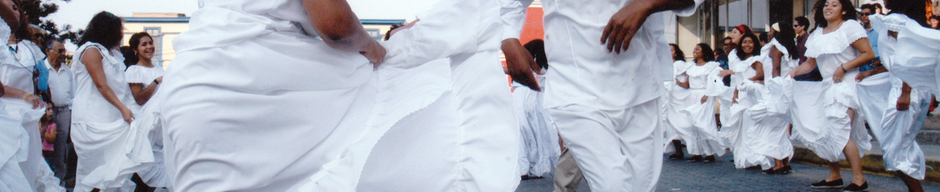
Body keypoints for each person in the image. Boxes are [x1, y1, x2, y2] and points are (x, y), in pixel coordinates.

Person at [501, 0, 703, 191]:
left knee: (640, 187)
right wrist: (508, 39)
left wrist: (647, 3)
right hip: (574, 89)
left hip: (641, 89)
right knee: (613, 184)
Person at [785, 0, 875, 190]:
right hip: (828, 84)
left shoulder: (850, 27)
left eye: (834, 4)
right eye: (826, 4)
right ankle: (835, 175)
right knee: (827, 130)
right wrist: (793, 72)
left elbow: (868, 53)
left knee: (839, 128)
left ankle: (859, 179)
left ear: (843, 10)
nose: (828, 8)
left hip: (846, 83)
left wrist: (844, 67)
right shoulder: (818, 33)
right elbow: (811, 63)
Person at [71, 11, 157, 192]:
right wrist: (123, 109)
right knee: (96, 173)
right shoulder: (91, 50)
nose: (121, 34)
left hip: (112, 118)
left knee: (116, 172)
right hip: (93, 119)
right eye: (119, 30)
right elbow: (101, 85)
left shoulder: (112, 54)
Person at [861, 1, 937, 190]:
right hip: (916, 90)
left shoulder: (896, 21)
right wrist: (873, 71)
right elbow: (900, 58)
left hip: (906, 90)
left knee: (892, 150)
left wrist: (905, 92)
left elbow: (907, 59)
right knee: (900, 147)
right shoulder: (913, 22)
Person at [751, 21, 799, 175]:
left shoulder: (774, 49)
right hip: (786, 90)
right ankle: (784, 161)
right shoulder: (788, 49)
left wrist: (773, 90)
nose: (769, 33)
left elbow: (775, 70)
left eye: (771, 30)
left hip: (776, 91)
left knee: (772, 126)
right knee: (779, 127)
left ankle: (779, 163)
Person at [668, 43, 725, 163]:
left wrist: (707, 94)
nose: (695, 51)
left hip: (705, 96)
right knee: (693, 125)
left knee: (704, 124)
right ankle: (697, 153)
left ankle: (710, 154)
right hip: (692, 95)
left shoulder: (710, 66)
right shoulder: (691, 67)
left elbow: (714, 81)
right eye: (694, 49)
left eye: (698, 49)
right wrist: (678, 83)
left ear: (704, 52)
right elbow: (687, 84)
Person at [512, 39, 559, 179]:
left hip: (520, 96)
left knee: (521, 134)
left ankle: (522, 169)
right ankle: (538, 167)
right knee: (539, 133)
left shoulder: (521, 64)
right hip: (539, 98)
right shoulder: (545, 66)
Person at [720, 32, 766, 169]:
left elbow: (761, 74)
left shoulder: (757, 59)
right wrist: (735, 93)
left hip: (751, 95)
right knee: (741, 129)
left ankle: (754, 158)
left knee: (750, 127)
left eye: (750, 42)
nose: (747, 45)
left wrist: (746, 82)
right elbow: (738, 80)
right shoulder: (739, 61)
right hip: (741, 96)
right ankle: (744, 157)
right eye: (745, 42)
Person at [43, 38, 74, 183]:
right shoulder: (42, 69)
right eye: (60, 51)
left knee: (61, 148)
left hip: (63, 112)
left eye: (64, 51)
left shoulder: (67, 71)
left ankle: (59, 181)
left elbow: (73, 93)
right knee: (44, 146)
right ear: (48, 51)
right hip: (46, 113)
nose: (63, 54)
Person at [125, 32, 162, 106]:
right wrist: (156, 81)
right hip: (142, 115)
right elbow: (140, 100)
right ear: (135, 49)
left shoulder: (158, 67)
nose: (149, 47)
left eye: (150, 43)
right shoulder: (134, 71)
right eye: (144, 44)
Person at [664, 43, 687, 160]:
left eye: (671, 51)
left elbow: (689, 75)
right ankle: (678, 150)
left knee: (683, 122)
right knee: (670, 124)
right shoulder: (664, 65)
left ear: (676, 53)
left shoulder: (680, 64)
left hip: (679, 96)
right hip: (668, 98)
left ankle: (699, 151)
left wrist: (684, 84)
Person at [793, 16, 823, 81]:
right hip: (801, 68)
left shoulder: (808, 39)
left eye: (796, 26)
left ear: (803, 27)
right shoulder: (799, 39)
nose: (794, 28)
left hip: (807, 71)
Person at [40, 105, 56, 169]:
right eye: (48, 110)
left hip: (48, 153)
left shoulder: (52, 126)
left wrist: (44, 130)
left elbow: (51, 139)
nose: (51, 111)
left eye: (51, 109)